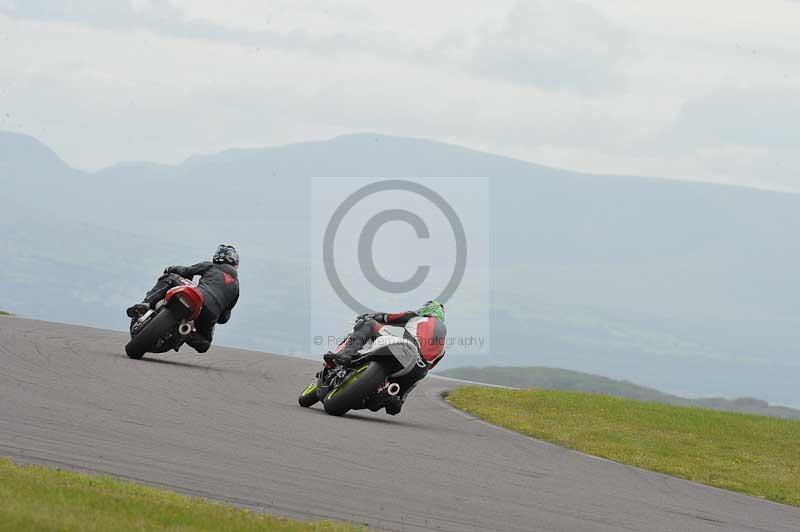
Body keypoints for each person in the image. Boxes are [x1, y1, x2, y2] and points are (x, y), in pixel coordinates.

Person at [324, 300, 446, 414]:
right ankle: (395, 398)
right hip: (418, 370)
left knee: (369, 324)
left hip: (406, 349)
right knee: (395, 404)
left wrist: (367, 316)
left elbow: (388, 317)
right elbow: (430, 366)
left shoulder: (416, 317)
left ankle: (345, 354)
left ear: (426, 310)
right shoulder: (443, 345)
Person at [126, 244, 240, 353]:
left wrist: (171, 268)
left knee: (170, 278)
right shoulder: (236, 287)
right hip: (210, 314)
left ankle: (146, 304)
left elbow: (185, 271)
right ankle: (185, 332)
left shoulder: (210, 266)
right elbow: (224, 318)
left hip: (199, 296)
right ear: (234, 261)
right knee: (205, 343)